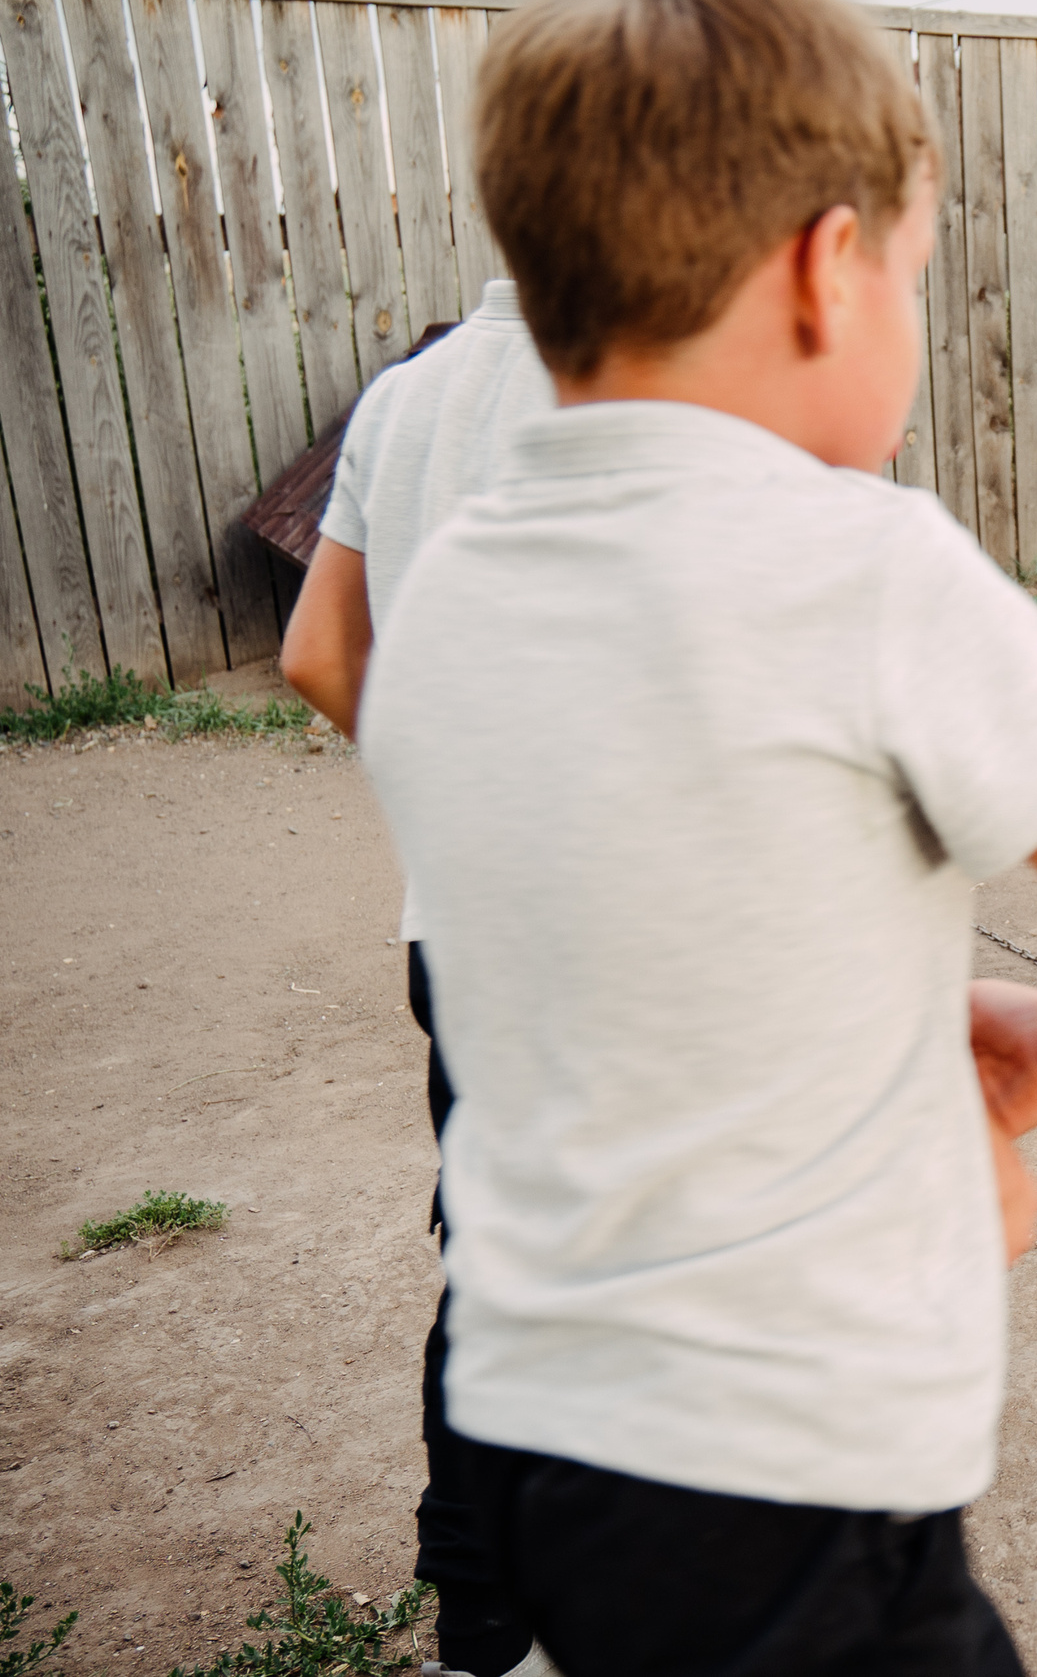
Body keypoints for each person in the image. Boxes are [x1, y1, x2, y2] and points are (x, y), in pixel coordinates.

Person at [355, 0, 1037, 1671]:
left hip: (540, 1452)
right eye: (914, 281)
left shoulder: (450, 594)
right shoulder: (872, 566)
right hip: (790, 1485)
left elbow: (660, 950)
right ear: (820, 266)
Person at [277, 284, 554, 1677]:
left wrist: (449, 800)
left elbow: (319, 651)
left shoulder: (407, 396)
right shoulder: (653, 380)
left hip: (454, 920)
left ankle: (479, 1623)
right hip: (623, 928)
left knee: (495, 1261)